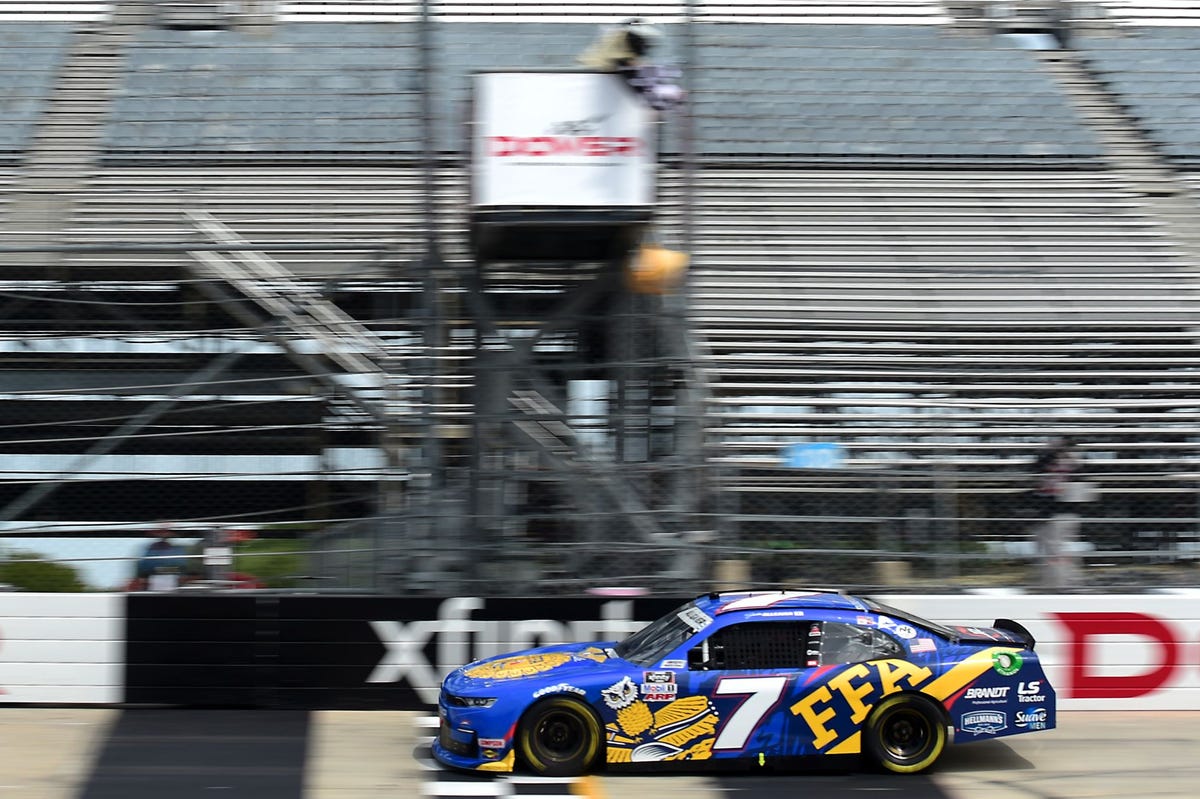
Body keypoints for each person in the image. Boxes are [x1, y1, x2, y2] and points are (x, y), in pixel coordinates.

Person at [578, 18, 685, 111]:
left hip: (615, 62)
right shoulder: (621, 44)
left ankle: (665, 94)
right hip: (609, 65)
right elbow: (629, 65)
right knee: (637, 73)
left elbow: (638, 67)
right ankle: (664, 95)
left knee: (641, 73)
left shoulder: (623, 40)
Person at [1031, 436, 1078, 516]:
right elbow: (1039, 467)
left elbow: (1076, 469)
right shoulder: (1047, 456)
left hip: (1066, 490)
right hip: (1049, 491)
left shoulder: (1071, 458)